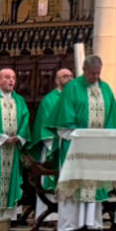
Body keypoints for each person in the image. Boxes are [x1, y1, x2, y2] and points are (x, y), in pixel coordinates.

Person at [51, 55, 116, 231]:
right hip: (75, 146)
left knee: (93, 185)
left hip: (97, 147)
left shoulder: (105, 89)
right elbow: (65, 118)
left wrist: (108, 138)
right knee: (75, 183)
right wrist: (80, 135)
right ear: (84, 71)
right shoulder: (72, 88)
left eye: (98, 73)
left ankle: (92, 222)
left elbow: (112, 118)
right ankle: (70, 224)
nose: (95, 77)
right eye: (92, 74)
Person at [27, 68, 72, 217]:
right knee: (50, 179)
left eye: (71, 76)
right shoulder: (49, 100)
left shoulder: (74, 99)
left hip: (73, 148)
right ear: (56, 80)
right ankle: (49, 217)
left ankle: (68, 215)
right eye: (65, 76)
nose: (69, 78)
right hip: (54, 148)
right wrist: (56, 146)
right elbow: (44, 127)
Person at [0, 69, 30, 224]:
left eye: (13, 78)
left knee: (9, 181)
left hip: (12, 150)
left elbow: (25, 119)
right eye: (7, 77)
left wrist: (18, 137)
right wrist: (3, 138)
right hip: (0, 148)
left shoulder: (19, 100)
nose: (11, 80)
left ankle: (5, 220)